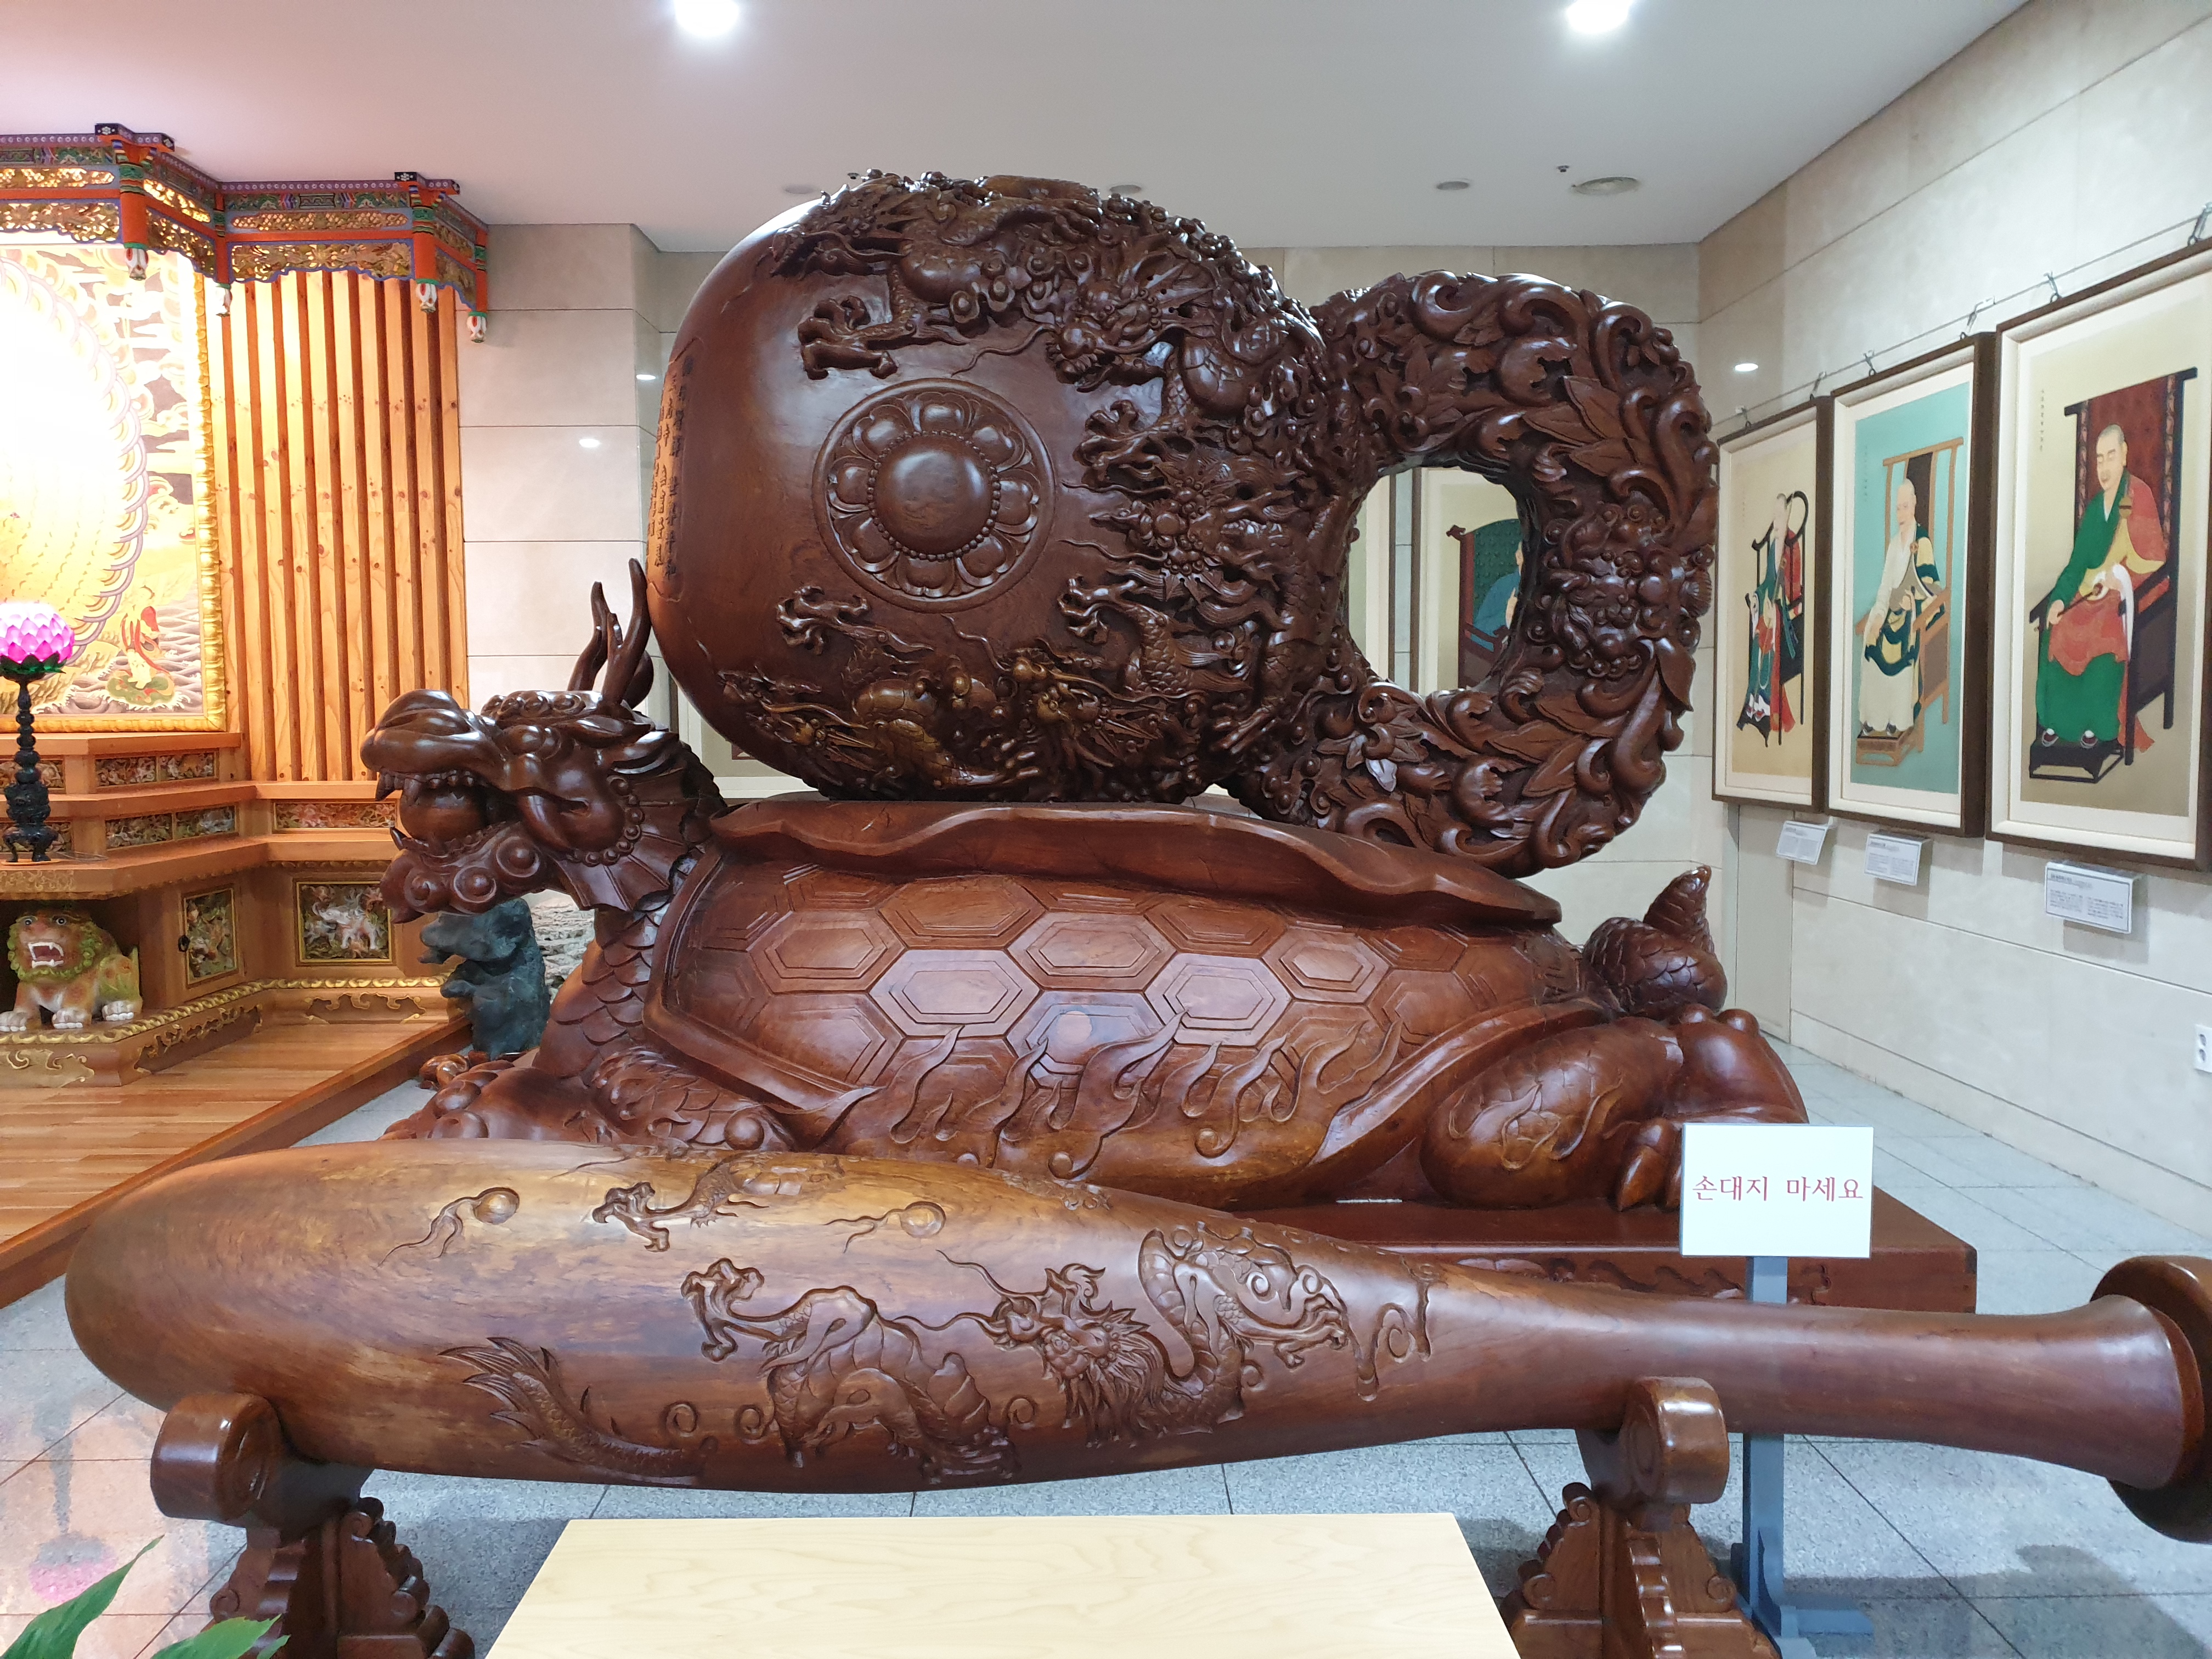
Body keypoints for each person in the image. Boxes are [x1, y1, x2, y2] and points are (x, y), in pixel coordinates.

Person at [2035, 423, 2167, 752]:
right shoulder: (2096, 509)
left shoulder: (2139, 494)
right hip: (2091, 593)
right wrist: (2060, 599)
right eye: (2099, 459)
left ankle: (2098, 725)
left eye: (2111, 456)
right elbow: (2077, 565)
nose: (2104, 466)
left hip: (2129, 593)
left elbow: (2153, 559)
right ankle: (2059, 722)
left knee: (2104, 631)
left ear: (2124, 454)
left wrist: (2119, 578)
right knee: (2061, 626)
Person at [1858, 477, 1939, 737]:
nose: (1902, 514)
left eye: (1906, 507)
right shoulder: (1894, 545)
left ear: (1914, 505)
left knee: (1901, 649)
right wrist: (1878, 615)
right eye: (1898, 508)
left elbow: (1932, 587)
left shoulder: (1922, 542)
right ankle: (1874, 717)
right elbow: (1885, 586)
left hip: (1912, 615)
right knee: (1872, 639)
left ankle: (1897, 717)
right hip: (1891, 612)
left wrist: (1913, 602)